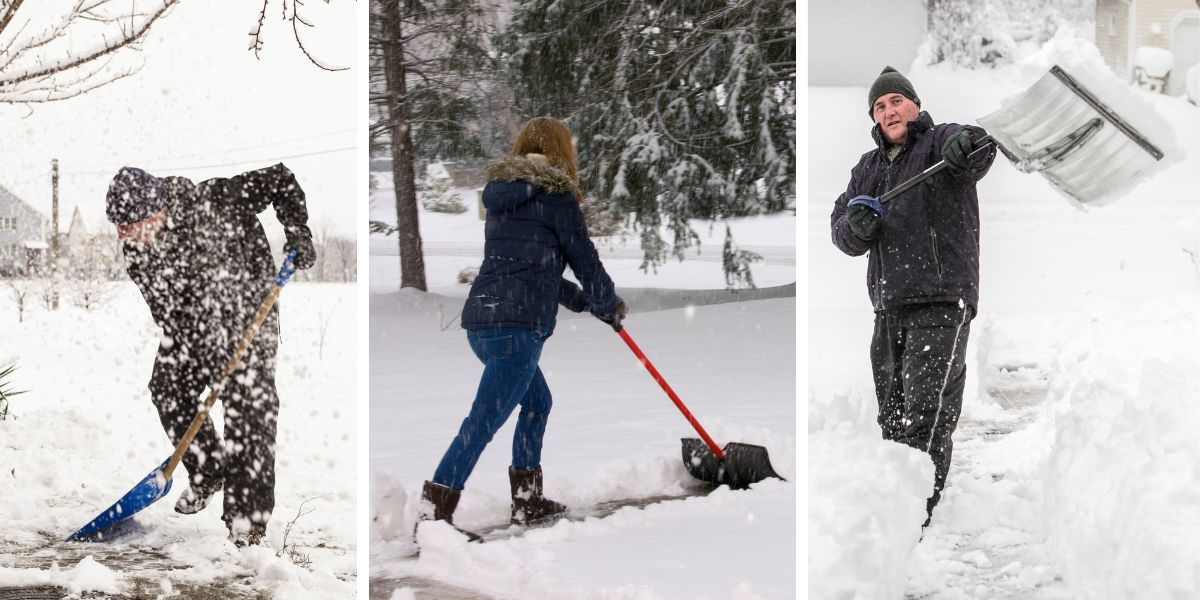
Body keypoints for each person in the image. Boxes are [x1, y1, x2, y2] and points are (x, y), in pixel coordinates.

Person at [418, 117, 625, 538]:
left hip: (483, 321)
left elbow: (533, 267)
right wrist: (608, 303)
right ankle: (433, 517)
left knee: (537, 403)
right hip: (517, 330)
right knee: (482, 422)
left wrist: (586, 303)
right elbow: (585, 260)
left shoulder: (501, 198)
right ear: (562, 152)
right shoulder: (557, 197)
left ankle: (528, 501)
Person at [105, 164, 316, 546]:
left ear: (156, 210)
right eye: (118, 225)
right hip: (193, 330)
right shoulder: (137, 253)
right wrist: (206, 354)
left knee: (249, 410)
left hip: (251, 316)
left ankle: (246, 526)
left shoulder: (215, 199)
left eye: (128, 223)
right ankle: (208, 469)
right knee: (168, 387)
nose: (122, 234)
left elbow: (281, 179)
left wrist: (298, 230)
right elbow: (166, 313)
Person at [830, 67, 996, 527]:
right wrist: (855, 227)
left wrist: (970, 145)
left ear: (915, 106)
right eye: (880, 106)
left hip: (942, 301)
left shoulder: (940, 143)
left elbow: (978, 145)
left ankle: (917, 514)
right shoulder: (867, 169)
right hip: (888, 307)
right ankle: (896, 507)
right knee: (892, 415)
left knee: (926, 414)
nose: (890, 110)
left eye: (897, 101)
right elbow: (841, 230)